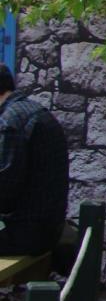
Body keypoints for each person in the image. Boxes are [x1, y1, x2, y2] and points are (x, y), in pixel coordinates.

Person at [0, 63, 69, 255]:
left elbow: (4, 191)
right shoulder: (34, 111)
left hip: (26, 234)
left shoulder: (9, 121)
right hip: (49, 228)